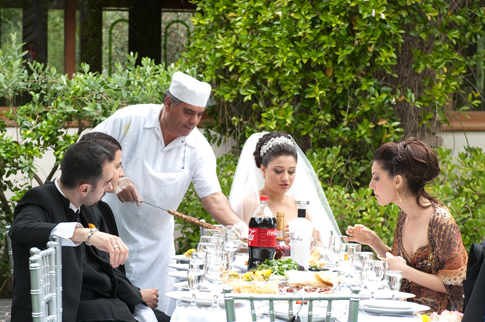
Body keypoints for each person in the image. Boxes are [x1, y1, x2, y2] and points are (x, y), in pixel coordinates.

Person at [92, 71, 248, 314]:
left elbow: (213, 197)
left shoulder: (198, 147)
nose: (195, 121)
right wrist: (117, 178)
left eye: (199, 114)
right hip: (110, 235)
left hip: (157, 248)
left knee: (158, 313)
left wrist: (239, 227)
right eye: (188, 112)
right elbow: (88, 146)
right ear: (168, 103)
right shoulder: (129, 120)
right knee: (114, 309)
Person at [9, 141, 159, 322]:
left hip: (103, 301)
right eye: (105, 183)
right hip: (67, 309)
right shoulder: (40, 198)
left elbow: (104, 268)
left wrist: (134, 296)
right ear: (85, 188)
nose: (110, 187)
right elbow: (20, 229)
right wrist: (86, 234)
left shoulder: (89, 207)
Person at [346, 137, 467, 313]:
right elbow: (398, 266)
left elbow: (457, 286)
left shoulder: (440, 221)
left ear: (397, 181)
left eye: (377, 178)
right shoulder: (404, 217)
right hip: (402, 313)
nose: (371, 185)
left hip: (436, 317)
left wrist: (404, 270)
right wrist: (374, 242)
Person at [79, 132, 168, 318]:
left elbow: (113, 269)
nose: (122, 173)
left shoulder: (101, 209)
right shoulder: (71, 211)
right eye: (118, 166)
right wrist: (136, 295)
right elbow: (92, 270)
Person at [229, 132, 340, 246]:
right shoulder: (248, 204)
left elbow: (320, 247)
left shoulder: (300, 207)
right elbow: (236, 246)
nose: (286, 178)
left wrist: (302, 239)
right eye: (278, 171)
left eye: (291, 171)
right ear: (263, 170)